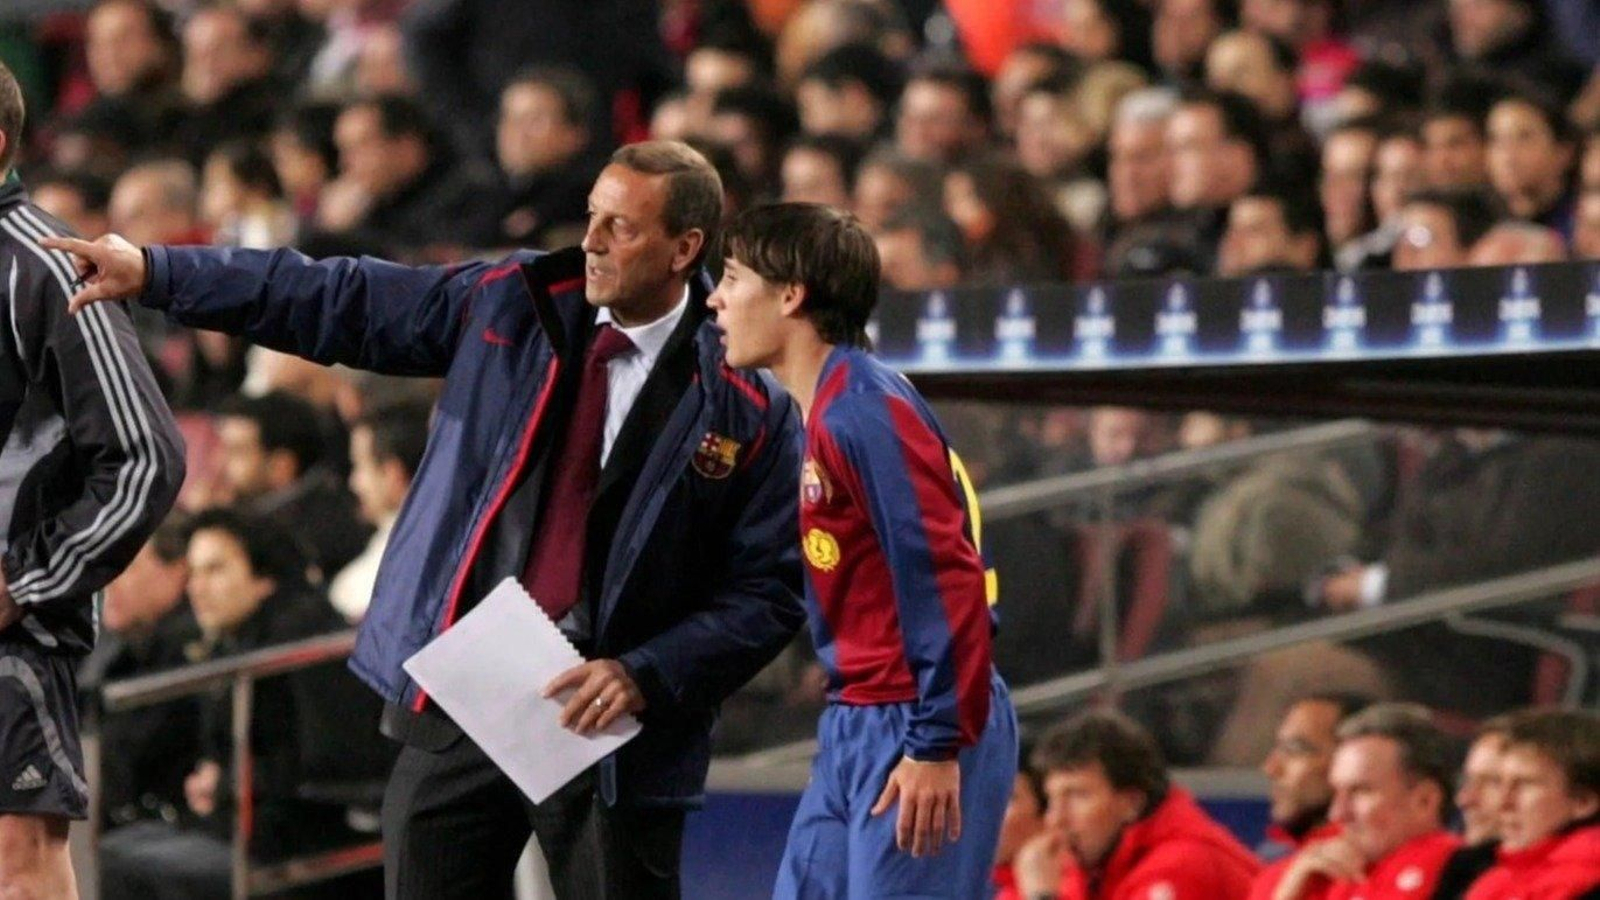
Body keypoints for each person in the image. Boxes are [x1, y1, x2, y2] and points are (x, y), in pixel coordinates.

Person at [47, 139, 806, 900]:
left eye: (623, 228)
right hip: (466, 687)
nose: (593, 242)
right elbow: (335, 296)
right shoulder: (512, 300)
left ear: (686, 247)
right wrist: (160, 272)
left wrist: (646, 674)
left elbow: (770, 595)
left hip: (613, 723)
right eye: (591, 217)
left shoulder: (745, 403)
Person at [707, 202, 1017, 898]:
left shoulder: (863, 412)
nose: (715, 298)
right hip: (860, 718)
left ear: (791, 294)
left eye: (731, 277)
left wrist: (936, 741)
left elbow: (945, 575)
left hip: (918, 718)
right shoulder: (833, 408)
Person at [0, 60, 187, 900]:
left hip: (11, 637)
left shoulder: (44, 266)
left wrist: (29, 581)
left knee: (18, 861)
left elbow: (146, 453)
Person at [1006, 709, 1260, 900]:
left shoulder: (1180, 867)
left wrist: (1042, 897)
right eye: (1052, 799)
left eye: (1077, 795)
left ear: (1132, 803)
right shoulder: (1093, 869)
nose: (1056, 819)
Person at [1271, 703, 1462, 900]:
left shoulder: (1458, 874)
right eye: (1336, 791)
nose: (1337, 813)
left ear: (1424, 801)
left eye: (1360, 791)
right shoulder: (1328, 873)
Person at [1464, 708, 1600, 900]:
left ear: (1583, 802)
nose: (1503, 803)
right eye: (1498, 782)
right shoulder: (1497, 879)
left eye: (1525, 784)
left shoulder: (1584, 885)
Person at [1250, 695, 1370, 899]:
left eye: (1295, 749)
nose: (1271, 768)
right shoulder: (1282, 875)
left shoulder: (1383, 867)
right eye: (1279, 748)